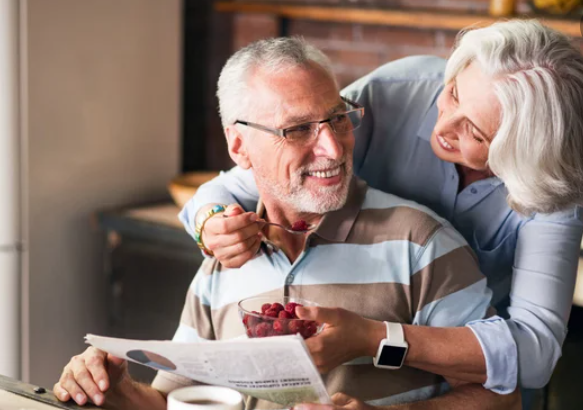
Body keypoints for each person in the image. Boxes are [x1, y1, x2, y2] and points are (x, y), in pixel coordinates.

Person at [53, 37, 520, 409]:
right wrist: (114, 392)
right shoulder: (223, 258)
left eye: (337, 118)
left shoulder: (422, 244)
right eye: (297, 129)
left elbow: (503, 394)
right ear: (238, 147)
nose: (334, 150)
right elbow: (176, 399)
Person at [181, 19, 583, 407]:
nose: (443, 125)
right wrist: (210, 223)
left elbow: (534, 354)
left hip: (478, 361)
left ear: (522, 153)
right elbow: (259, 164)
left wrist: (374, 339)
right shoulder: (393, 94)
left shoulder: (553, 179)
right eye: (455, 94)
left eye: (475, 133)